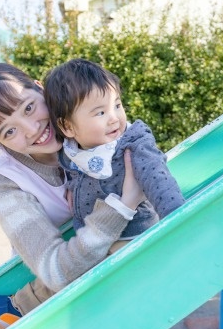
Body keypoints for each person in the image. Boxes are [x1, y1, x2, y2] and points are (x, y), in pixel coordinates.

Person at [0, 63, 145, 329]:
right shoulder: (3, 181)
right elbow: (54, 272)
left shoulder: (86, 120)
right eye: (9, 131)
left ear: (39, 87)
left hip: (113, 268)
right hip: (61, 301)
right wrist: (123, 205)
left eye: (29, 108)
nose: (31, 129)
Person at [44, 58, 185, 251]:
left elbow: (158, 177)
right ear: (67, 126)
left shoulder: (133, 144)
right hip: (93, 240)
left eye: (117, 105)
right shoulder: (70, 154)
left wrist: (178, 217)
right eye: (100, 113)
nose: (114, 118)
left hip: (135, 237)